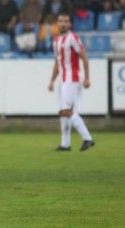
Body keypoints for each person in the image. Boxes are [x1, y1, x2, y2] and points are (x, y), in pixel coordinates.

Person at [48, 12, 95, 152]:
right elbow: (57, 63)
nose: (63, 23)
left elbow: (84, 57)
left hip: (72, 79)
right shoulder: (56, 40)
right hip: (63, 80)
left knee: (65, 110)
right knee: (64, 112)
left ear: (70, 24)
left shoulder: (73, 38)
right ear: (57, 23)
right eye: (60, 21)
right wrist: (51, 80)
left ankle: (87, 138)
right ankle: (65, 144)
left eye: (65, 21)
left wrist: (87, 77)